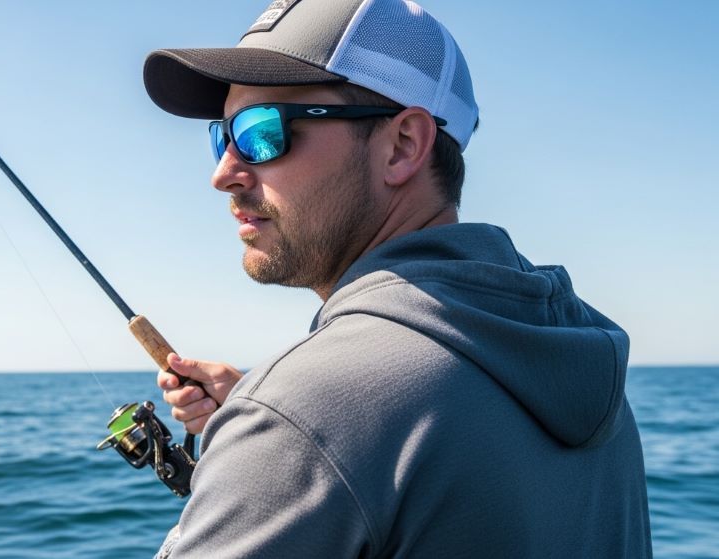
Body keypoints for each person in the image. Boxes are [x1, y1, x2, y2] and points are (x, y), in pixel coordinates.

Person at [143, 1, 652, 557]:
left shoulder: (299, 415)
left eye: (262, 131)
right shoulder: (579, 369)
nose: (224, 173)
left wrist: (267, 443)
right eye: (222, 136)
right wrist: (267, 445)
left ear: (403, 145)